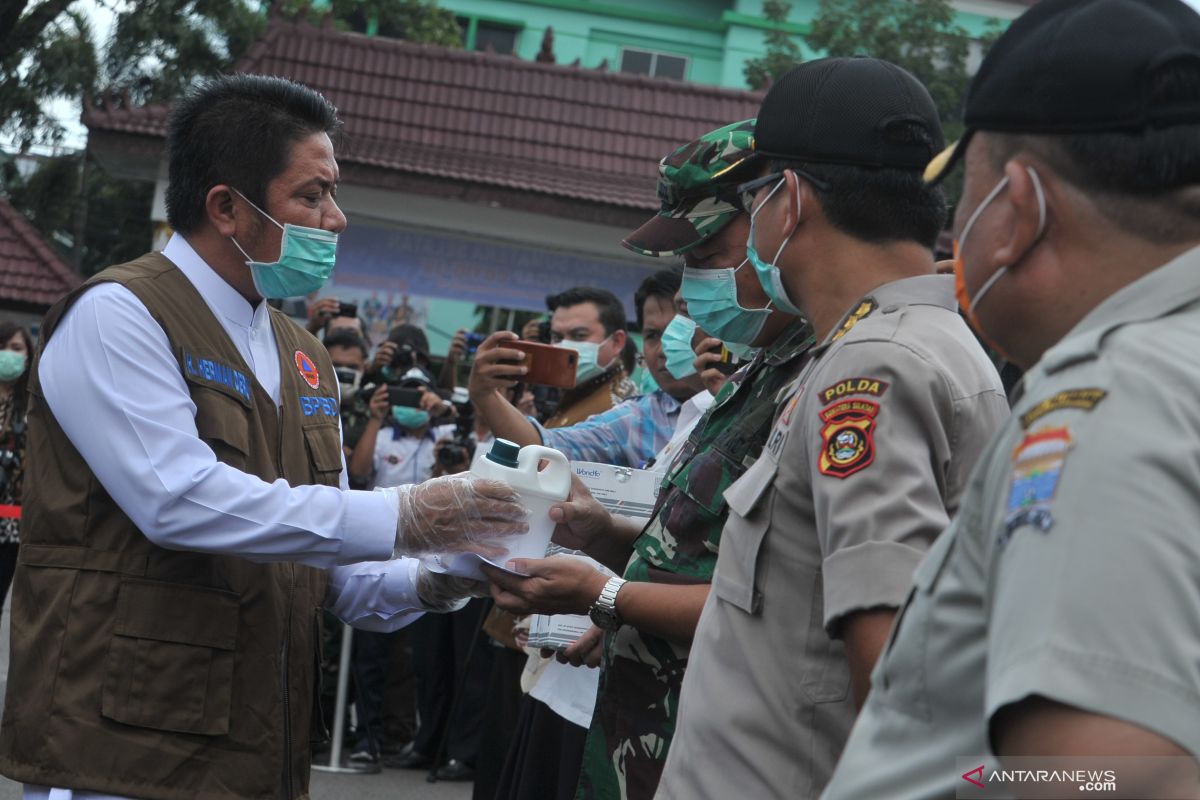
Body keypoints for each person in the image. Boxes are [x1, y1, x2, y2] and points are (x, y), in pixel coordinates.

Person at [0, 74, 527, 800]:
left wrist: (449, 570)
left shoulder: (301, 353)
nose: (336, 218)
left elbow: (336, 574)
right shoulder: (121, 314)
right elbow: (176, 499)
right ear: (226, 207)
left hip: (254, 756)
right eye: (311, 195)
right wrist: (407, 515)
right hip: (123, 754)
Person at [823, 2, 1200, 797]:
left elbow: (1105, 775)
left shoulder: (1107, 403)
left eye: (967, 189)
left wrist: (951, 779)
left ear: (1018, 206)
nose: (955, 226)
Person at [654, 58, 1010, 800]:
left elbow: (900, 681)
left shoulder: (873, 369)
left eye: (751, 200)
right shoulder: (896, 344)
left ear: (787, 200)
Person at [485, 119, 814, 800]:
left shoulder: (830, 376)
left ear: (780, 218)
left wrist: (605, 594)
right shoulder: (766, 372)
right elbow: (713, 552)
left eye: (709, 253)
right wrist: (605, 531)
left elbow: (778, 600)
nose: (695, 284)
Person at [0, 321, 32, 615]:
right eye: (3, 347)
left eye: (16, 348)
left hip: (10, 524)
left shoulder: (35, 406)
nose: (7, 354)